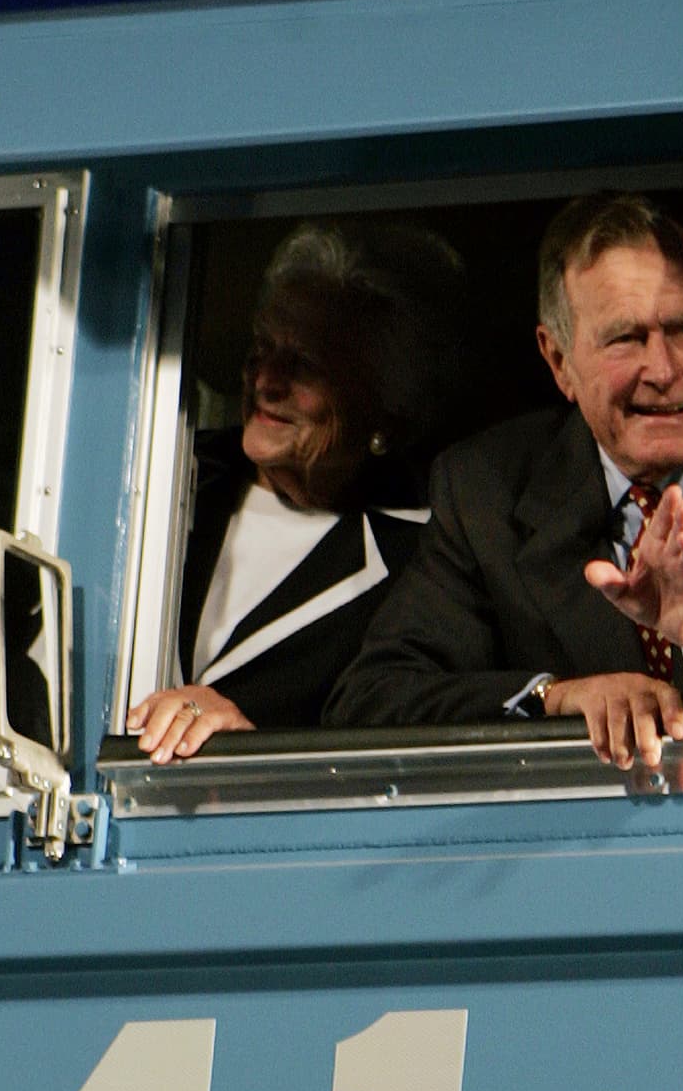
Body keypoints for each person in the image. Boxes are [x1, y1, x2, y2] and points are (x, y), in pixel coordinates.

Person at [326, 191, 683, 769]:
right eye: (626, 338)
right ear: (560, 361)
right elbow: (374, 698)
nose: (664, 370)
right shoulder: (484, 488)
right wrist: (557, 696)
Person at [128, 221, 463, 762]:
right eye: (262, 348)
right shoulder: (162, 471)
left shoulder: (420, 563)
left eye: (305, 364)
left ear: (386, 411)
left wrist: (253, 749)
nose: (267, 381)